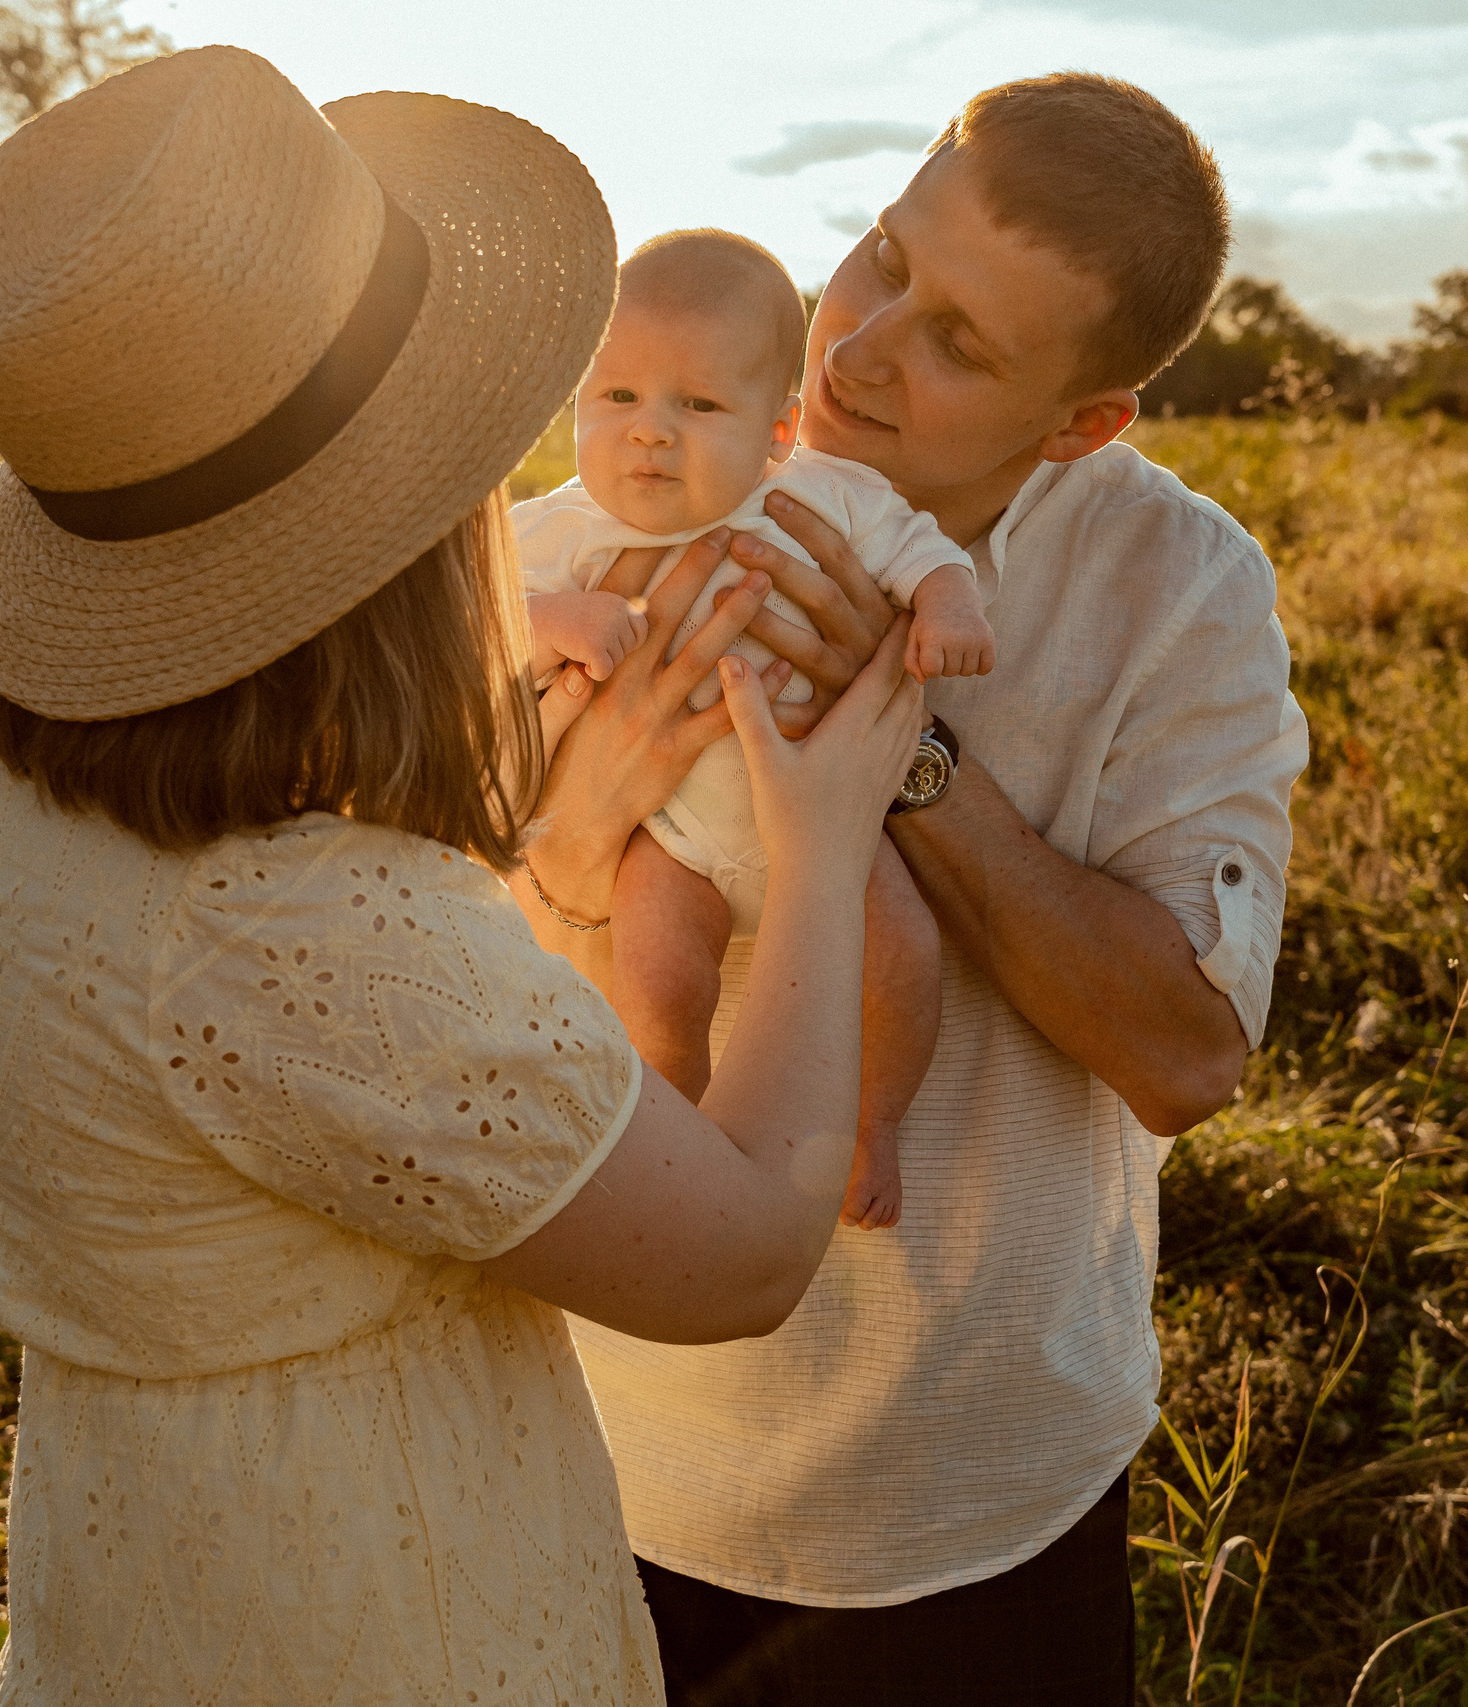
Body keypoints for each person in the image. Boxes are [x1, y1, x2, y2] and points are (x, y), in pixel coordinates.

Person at [0, 46, 921, 1705]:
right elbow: (741, 1254)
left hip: (128, 1569)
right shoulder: (300, 921)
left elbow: (367, 1092)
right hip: (381, 1612)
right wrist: (821, 846)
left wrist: (571, 840)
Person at [522, 73, 1309, 1701]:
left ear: (1081, 420)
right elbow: (443, 930)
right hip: (594, 1438)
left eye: (958, 342)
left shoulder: (1186, 586)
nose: (858, 349)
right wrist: (582, 814)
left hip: (969, 1492)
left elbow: (1186, 1054)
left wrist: (908, 758)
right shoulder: (651, 466)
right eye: (883, 257)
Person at [516, 228, 993, 1230]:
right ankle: (667, 1130)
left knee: (901, 956)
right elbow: (479, 620)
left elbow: (921, 550)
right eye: (616, 397)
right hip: (672, 841)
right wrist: (555, 619)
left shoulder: (819, 496)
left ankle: (874, 1125)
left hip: (830, 827)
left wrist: (948, 609)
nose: (649, 432)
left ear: (777, 433)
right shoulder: (560, 531)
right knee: (656, 984)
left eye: (696, 405)